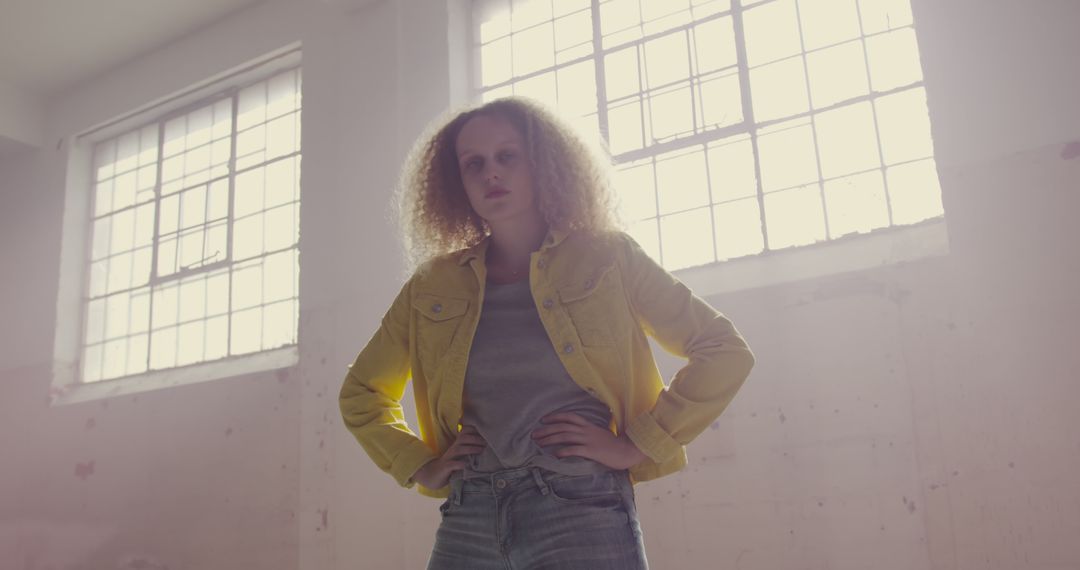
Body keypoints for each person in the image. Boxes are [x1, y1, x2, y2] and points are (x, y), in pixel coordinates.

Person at [339, 96, 755, 569]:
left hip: (580, 505)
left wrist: (637, 444)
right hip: (469, 510)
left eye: (507, 156)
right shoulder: (431, 285)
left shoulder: (608, 257)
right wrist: (419, 464)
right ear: (457, 184)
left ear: (543, 163)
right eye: (473, 164)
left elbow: (723, 350)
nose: (490, 173)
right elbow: (361, 393)